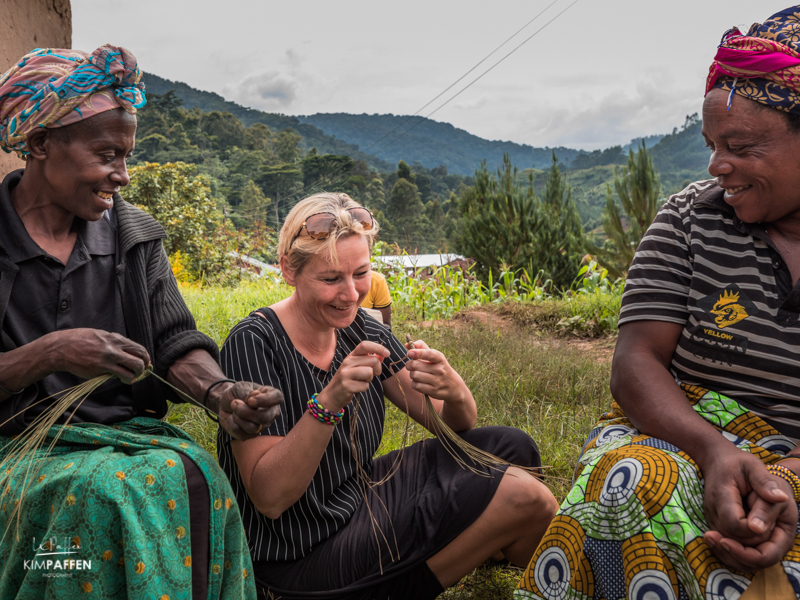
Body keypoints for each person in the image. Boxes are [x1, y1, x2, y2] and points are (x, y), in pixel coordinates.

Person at [516, 6, 800, 599]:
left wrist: (785, 480)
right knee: (638, 481)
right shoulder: (690, 220)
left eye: (741, 145)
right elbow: (635, 361)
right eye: (712, 144)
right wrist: (714, 452)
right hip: (681, 435)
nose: (717, 165)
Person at [0, 46, 282, 599]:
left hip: (119, 439)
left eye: (126, 155)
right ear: (38, 145)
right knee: (106, 494)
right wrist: (51, 352)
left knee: (199, 476)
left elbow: (175, 342)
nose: (122, 176)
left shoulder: (133, 236)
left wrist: (220, 391)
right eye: (106, 154)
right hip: (15, 448)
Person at [217, 192, 558, 600]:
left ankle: (491, 542)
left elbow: (452, 427)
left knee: (513, 448)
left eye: (360, 273)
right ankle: (499, 543)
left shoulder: (363, 328)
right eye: (331, 279)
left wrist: (454, 390)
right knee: (524, 496)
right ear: (289, 270)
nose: (351, 294)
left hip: (355, 498)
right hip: (297, 559)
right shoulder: (253, 343)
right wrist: (330, 402)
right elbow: (270, 498)